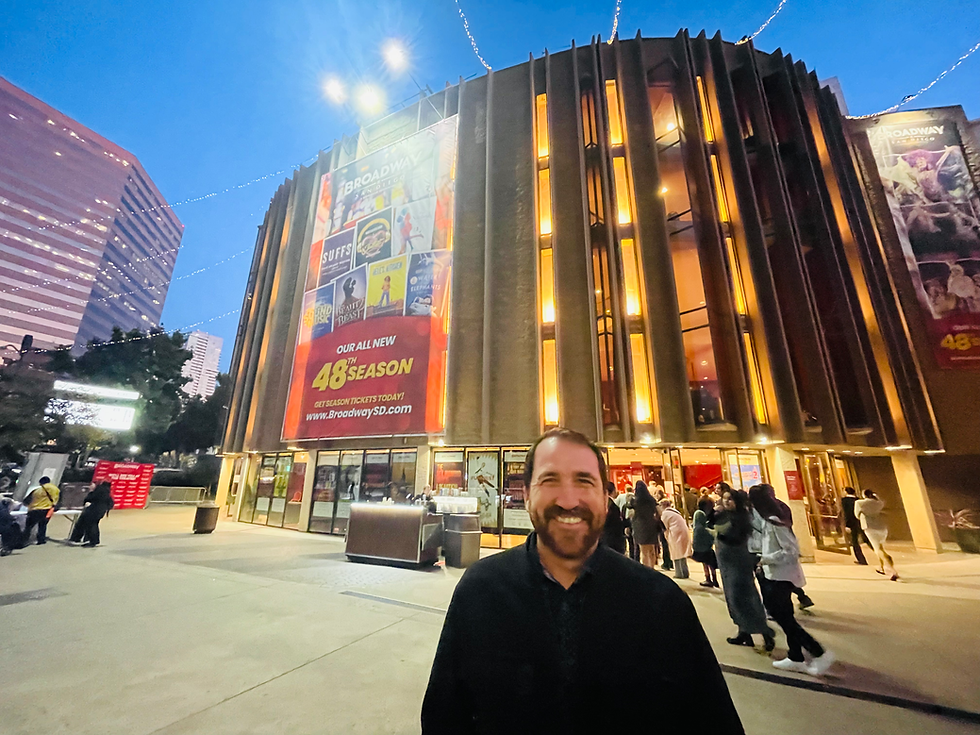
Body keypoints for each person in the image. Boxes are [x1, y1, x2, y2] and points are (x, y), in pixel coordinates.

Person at [421, 428, 745, 734]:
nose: (568, 500)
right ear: (525, 494)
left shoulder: (661, 601)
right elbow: (444, 716)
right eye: (550, 480)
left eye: (584, 481)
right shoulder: (480, 591)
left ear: (605, 497)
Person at [748, 485, 835, 676]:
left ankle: (818, 652)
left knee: (782, 617)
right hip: (776, 574)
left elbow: (791, 550)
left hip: (780, 576)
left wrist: (766, 558)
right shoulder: (769, 520)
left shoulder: (773, 521)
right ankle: (796, 656)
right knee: (786, 616)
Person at [712, 486, 775, 651]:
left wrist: (718, 533)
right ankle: (743, 631)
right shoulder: (724, 516)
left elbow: (735, 538)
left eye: (730, 499)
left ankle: (764, 631)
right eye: (724, 498)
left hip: (738, 562)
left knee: (744, 595)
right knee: (732, 597)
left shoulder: (742, 518)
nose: (726, 501)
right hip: (726, 563)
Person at [855, 490, 899, 581]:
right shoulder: (879, 503)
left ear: (864, 495)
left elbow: (857, 515)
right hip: (882, 527)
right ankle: (881, 567)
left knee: (878, 549)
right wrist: (876, 496)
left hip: (870, 527)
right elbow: (882, 502)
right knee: (880, 547)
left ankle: (892, 570)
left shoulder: (859, 503)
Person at [69, 481, 114, 547]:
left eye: (91, 485)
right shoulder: (106, 492)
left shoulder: (98, 491)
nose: (90, 486)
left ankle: (92, 541)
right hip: (100, 511)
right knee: (91, 524)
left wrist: (91, 492)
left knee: (91, 525)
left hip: (93, 511)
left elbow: (89, 499)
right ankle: (90, 540)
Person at [631, 480, 662, 569]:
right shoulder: (651, 500)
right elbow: (658, 512)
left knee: (644, 551)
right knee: (651, 550)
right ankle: (652, 568)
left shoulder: (635, 501)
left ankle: (646, 569)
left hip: (640, 526)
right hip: (651, 525)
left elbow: (630, 513)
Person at [660, 498, 693, 579]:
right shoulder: (675, 511)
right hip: (683, 533)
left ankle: (680, 573)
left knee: (676, 553)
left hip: (675, 534)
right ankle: (685, 572)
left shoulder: (665, 514)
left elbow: (664, 526)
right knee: (682, 553)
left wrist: (666, 536)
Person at [24, 476, 60, 545]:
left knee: (28, 526)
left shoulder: (37, 490)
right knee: (43, 525)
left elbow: (26, 501)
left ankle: (25, 540)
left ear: (40, 483)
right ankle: (41, 540)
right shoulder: (56, 489)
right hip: (48, 510)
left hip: (35, 509)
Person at [692, 498, 719, 588]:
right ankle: (714, 578)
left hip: (701, 541)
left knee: (705, 561)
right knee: (709, 560)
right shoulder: (710, 514)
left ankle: (708, 579)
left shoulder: (699, 513)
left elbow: (698, 528)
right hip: (707, 541)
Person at [841, 486, 871, 565]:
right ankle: (879, 553)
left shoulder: (844, 501)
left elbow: (847, 514)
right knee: (867, 539)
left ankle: (861, 560)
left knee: (855, 542)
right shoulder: (858, 500)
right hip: (861, 522)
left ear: (846, 492)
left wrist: (847, 525)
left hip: (852, 523)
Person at [601, 482, 627, 554]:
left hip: (607, 538)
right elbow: (615, 522)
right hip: (613, 539)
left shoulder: (605, 503)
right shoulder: (610, 505)